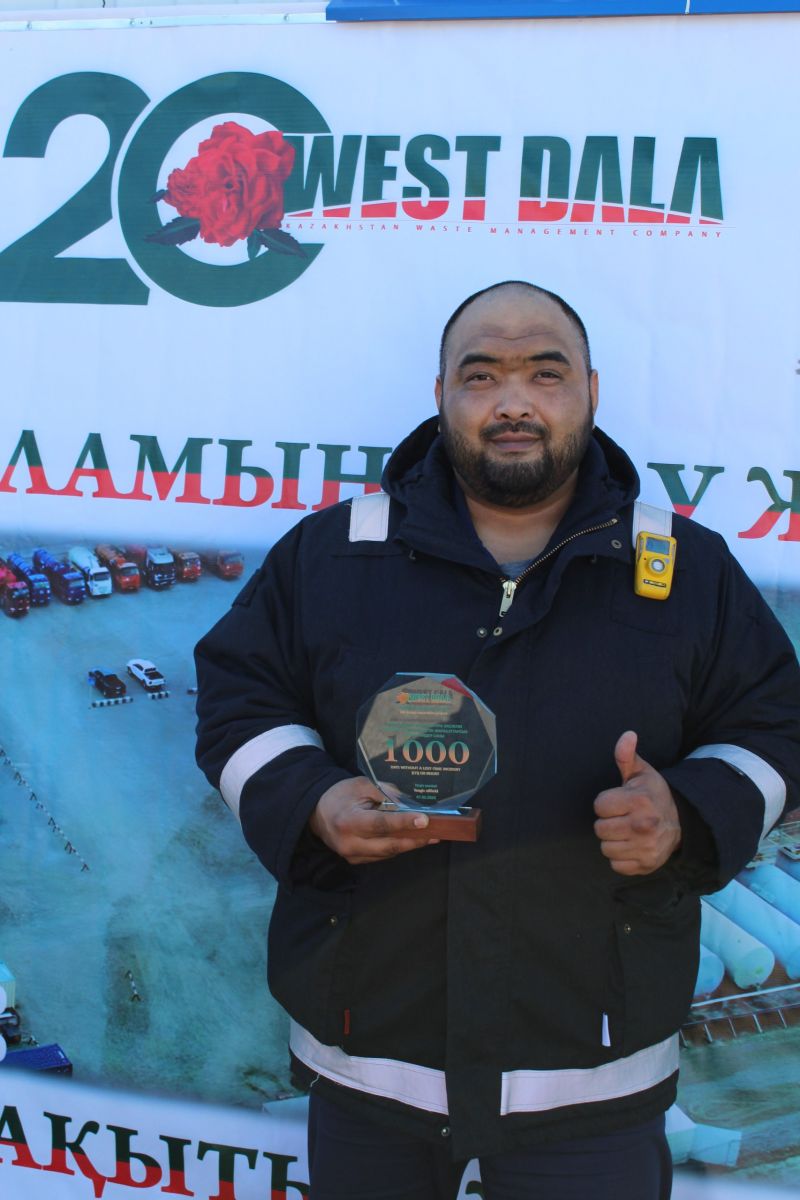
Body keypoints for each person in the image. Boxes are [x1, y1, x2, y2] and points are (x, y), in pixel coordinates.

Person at [194, 281, 800, 1200]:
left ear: (590, 391)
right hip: (369, 1061)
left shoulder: (687, 570)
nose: (513, 400)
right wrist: (311, 799)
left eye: (545, 373)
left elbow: (775, 726)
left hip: (594, 1077)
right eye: (481, 375)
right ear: (441, 394)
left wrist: (689, 811)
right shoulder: (330, 556)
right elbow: (240, 701)